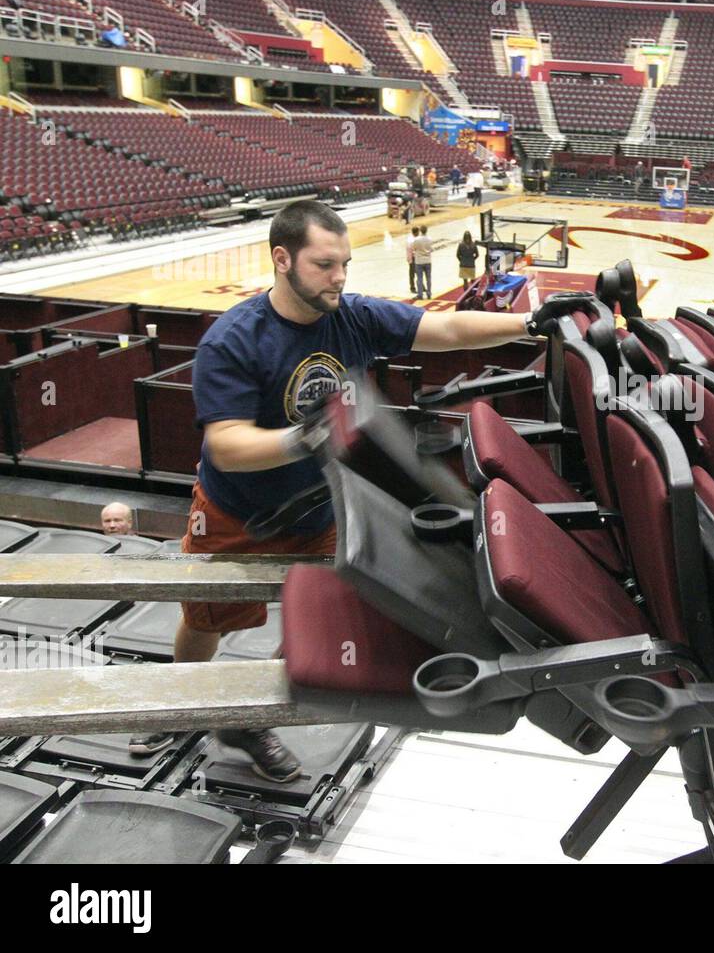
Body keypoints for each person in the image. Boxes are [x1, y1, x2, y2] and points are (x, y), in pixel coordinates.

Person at [126, 200, 591, 775]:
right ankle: (176, 705)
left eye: (345, 263)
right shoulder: (233, 340)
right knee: (206, 621)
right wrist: (306, 440)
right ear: (282, 259)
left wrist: (529, 323)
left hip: (327, 509)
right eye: (325, 265)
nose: (340, 277)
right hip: (239, 512)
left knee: (322, 618)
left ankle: (248, 721)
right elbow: (226, 444)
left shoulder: (353, 315)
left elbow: (442, 327)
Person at [412, 225, 435, 300]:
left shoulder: (417, 240)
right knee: (428, 278)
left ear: (420, 231)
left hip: (419, 261)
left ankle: (420, 294)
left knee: (419, 278)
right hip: (428, 260)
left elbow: (414, 248)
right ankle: (429, 293)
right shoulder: (430, 239)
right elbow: (431, 249)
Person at [406, 228, 416, 295]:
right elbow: (409, 251)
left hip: (415, 258)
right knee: (412, 274)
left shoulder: (415, 239)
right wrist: (410, 260)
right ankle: (412, 288)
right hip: (413, 258)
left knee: (419, 273)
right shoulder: (411, 240)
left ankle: (422, 287)